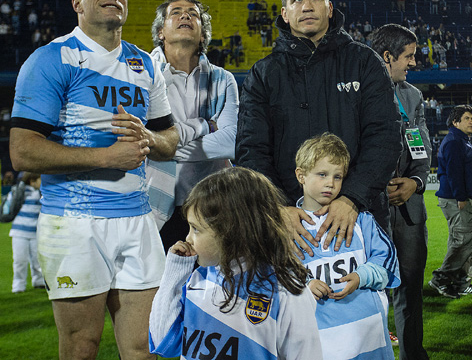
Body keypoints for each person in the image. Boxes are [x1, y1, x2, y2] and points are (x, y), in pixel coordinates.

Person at [9, 0, 179, 360]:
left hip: (138, 221)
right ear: (78, 3)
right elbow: (23, 150)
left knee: (144, 347)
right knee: (81, 345)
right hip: (74, 222)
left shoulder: (143, 64)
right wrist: (107, 156)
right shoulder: (52, 59)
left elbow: (170, 140)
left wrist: (149, 138)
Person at [236, 0, 401, 259]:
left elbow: (385, 136)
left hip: (358, 216)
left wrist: (351, 198)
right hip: (288, 223)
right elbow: (251, 150)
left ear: (329, 7)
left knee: (362, 302)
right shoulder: (263, 74)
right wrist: (279, 208)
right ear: (285, 14)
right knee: (289, 304)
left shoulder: (365, 62)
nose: (308, 5)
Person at [149, 167, 322, 359]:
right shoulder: (197, 280)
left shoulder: (285, 292)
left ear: (231, 231)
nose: (187, 238)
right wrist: (174, 273)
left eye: (196, 229)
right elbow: (162, 340)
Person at [293, 133, 400, 359]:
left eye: (338, 177)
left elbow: (388, 263)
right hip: (318, 344)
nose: (330, 183)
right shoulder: (289, 229)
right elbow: (274, 275)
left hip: (369, 340)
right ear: (301, 175)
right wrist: (305, 285)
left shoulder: (362, 220)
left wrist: (362, 276)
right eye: (322, 174)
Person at [147, 0, 238, 250]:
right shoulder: (142, 74)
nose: (185, 15)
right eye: (175, 12)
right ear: (161, 32)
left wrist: (162, 146)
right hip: (155, 202)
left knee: (215, 285)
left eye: (193, 13)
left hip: (214, 203)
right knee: (160, 287)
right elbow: (141, 142)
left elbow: (231, 142)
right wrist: (205, 126)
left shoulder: (223, 79)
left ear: (202, 35)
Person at [370, 24, 431, 360]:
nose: (413, 63)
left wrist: (415, 184)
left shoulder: (413, 96)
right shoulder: (355, 92)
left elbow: (421, 152)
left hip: (409, 211)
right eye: (408, 56)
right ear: (387, 56)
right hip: (368, 209)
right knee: (366, 288)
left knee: (410, 291)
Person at [429, 105, 472, 298]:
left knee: (468, 240)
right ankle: (440, 279)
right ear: (455, 122)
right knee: (462, 242)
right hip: (456, 199)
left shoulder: (461, 140)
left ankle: (461, 282)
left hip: (464, 198)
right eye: (467, 118)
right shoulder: (454, 141)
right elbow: (453, 172)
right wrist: (461, 197)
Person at [9, 172, 45, 293]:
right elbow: (11, 204)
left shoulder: (42, 193)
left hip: (35, 232)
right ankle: (18, 285)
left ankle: (38, 280)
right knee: (20, 260)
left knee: (37, 259)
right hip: (19, 232)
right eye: (40, 179)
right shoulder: (20, 191)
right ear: (32, 180)